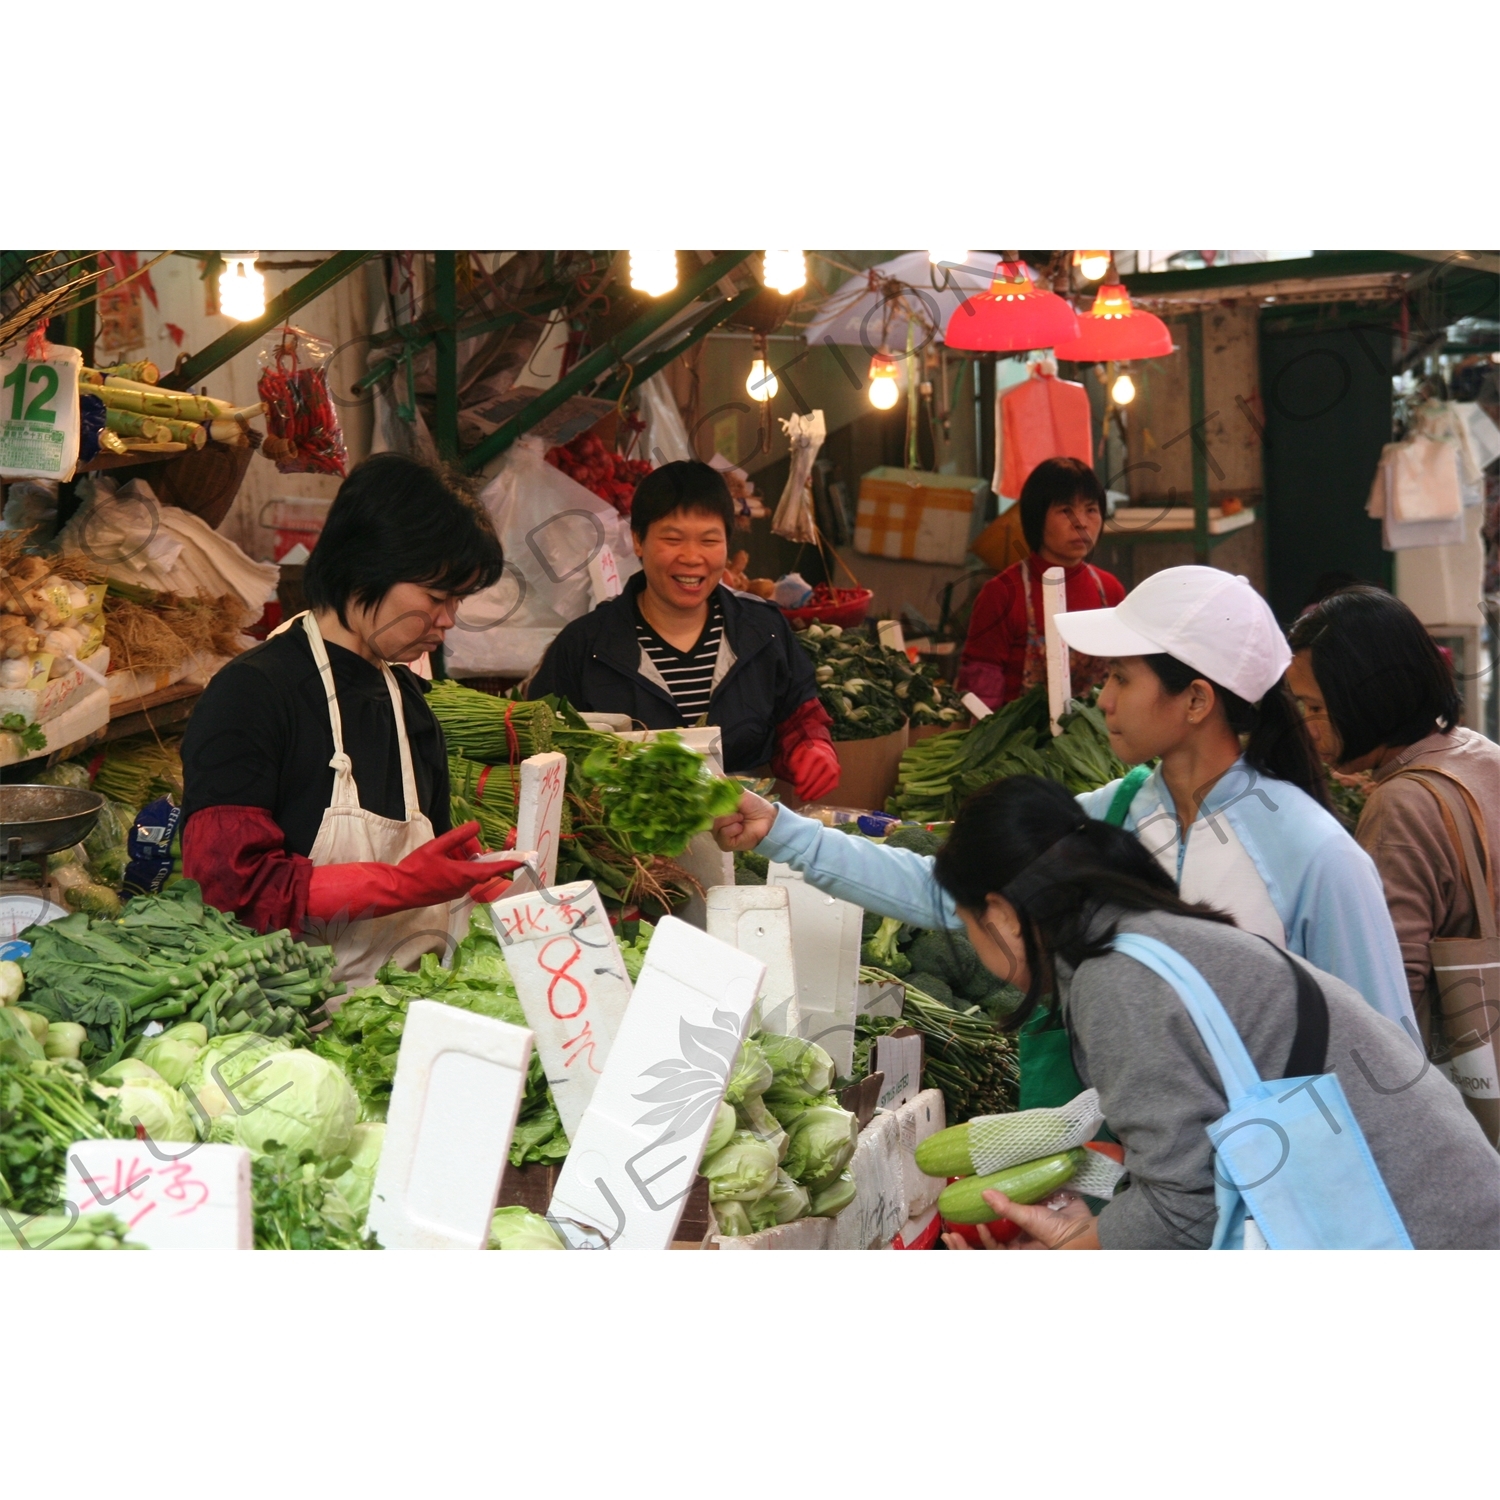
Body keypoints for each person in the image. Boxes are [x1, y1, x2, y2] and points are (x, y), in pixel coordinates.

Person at [922, 778, 1495, 1248]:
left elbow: (1184, 1214)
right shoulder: (1145, 937)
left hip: (1417, 1228)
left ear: (1000, 913)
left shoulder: (1116, 980)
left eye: (966, 922)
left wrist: (1076, 1251)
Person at [181, 454, 512, 988]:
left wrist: (474, 874)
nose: (448, 620)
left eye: (458, 600)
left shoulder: (407, 700)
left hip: (405, 1008)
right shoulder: (253, 694)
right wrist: (401, 884)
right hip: (294, 1023)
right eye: (436, 597)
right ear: (367, 566)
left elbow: (429, 863)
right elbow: (227, 890)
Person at [527, 460, 840, 800]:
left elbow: (798, 716)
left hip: (744, 834)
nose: (692, 557)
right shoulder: (583, 647)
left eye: (709, 540)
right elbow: (543, 750)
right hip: (624, 847)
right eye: (673, 539)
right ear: (638, 541)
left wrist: (812, 749)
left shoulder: (764, 631)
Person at [1287, 585, 1500, 1041]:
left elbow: (1390, 993)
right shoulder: (1477, 751)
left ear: (1366, 697)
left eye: (1316, 707)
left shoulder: (1401, 805)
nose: (1307, 725)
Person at [956, 457, 1125, 710]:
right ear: (1036, 518)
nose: (1081, 522)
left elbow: (1125, 677)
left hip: (1093, 745)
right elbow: (979, 694)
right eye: (1065, 511)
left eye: (1090, 509)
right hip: (1016, 743)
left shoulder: (1111, 590)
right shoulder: (1001, 594)